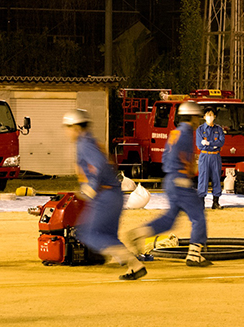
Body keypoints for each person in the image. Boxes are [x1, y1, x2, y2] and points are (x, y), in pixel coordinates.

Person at [63, 109, 147, 280]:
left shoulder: (83, 143)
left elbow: (99, 165)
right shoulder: (90, 141)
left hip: (104, 195)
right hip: (113, 194)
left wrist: (91, 187)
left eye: (68, 127)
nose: (67, 131)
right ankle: (134, 266)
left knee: (88, 233)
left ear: (76, 127)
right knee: (107, 235)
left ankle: (133, 262)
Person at [127, 101, 213, 266]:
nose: (199, 120)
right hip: (181, 182)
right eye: (197, 116)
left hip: (171, 180)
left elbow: (166, 158)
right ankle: (194, 254)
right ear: (193, 117)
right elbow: (187, 161)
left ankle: (139, 232)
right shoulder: (187, 134)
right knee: (198, 217)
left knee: (169, 219)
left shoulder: (175, 133)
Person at [197, 107, 225, 209]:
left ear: (215, 116)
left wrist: (209, 143)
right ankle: (201, 203)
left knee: (216, 178)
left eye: (211, 115)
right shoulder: (200, 129)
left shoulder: (219, 129)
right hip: (204, 156)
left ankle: (216, 202)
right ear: (204, 117)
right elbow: (200, 145)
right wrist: (213, 145)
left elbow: (221, 142)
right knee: (203, 178)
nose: (210, 117)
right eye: (208, 115)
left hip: (215, 156)